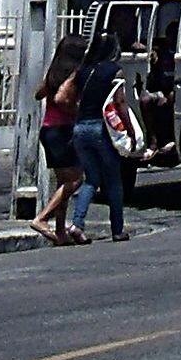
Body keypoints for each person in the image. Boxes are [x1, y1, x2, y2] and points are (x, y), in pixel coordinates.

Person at [66, 28, 130, 243]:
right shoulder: (115, 71)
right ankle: (118, 229)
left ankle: (77, 224)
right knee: (113, 180)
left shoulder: (83, 70)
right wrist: (129, 129)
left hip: (80, 128)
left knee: (91, 179)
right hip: (100, 129)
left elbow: (73, 99)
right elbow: (120, 102)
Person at [31, 34, 87, 244]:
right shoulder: (74, 74)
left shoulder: (54, 73)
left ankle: (60, 231)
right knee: (75, 180)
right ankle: (42, 218)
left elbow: (39, 94)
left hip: (48, 129)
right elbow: (60, 99)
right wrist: (76, 111)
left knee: (63, 183)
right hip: (62, 130)